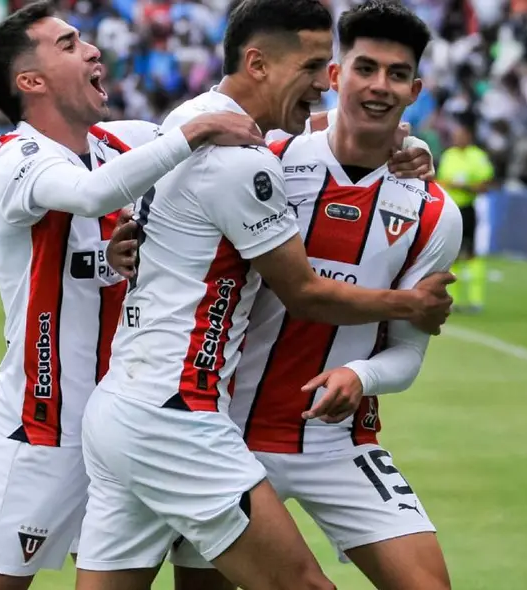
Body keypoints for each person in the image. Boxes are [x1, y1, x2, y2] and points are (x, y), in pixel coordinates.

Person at [74, 0, 456, 589]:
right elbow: (302, 292)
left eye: (398, 75)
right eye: (317, 69)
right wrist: (411, 304)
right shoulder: (258, 159)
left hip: (137, 409)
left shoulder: (196, 120)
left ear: (414, 90)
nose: (320, 87)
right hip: (189, 418)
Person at [0, 3, 268, 589]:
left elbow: (232, 120)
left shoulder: (119, 141)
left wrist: (369, 138)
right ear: (32, 81)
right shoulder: (18, 159)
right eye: (69, 44)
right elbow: (95, 194)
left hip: (131, 414)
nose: (92, 50)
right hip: (45, 420)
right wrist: (194, 132)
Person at [436, 120, 494, 313]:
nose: (458, 139)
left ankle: (476, 300)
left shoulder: (478, 157)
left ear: (469, 137)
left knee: (471, 254)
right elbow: (440, 181)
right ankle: (454, 300)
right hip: (450, 211)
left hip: (468, 208)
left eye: (461, 135)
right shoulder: (448, 156)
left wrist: (466, 187)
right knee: (453, 255)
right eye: (456, 136)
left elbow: (486, 185)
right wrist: (448, 184)